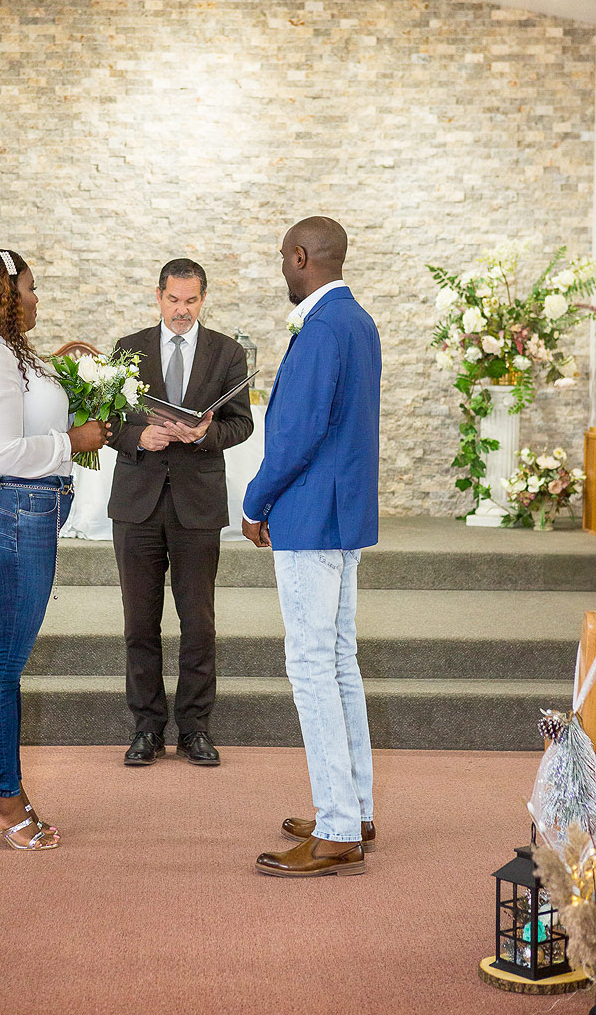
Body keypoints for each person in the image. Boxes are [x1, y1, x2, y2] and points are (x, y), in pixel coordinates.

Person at [0, 248, 110, 851]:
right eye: (31, 290)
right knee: (0, 666)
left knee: (5, 663)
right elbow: (8, 451)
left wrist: (57, 365)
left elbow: (24, 403)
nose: (38, 299)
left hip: (22, 515)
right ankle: (3, 800)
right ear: (5, 294)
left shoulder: (8, 353)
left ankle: (1, 788)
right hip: (7, 514)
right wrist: (74, 440)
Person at [242, 217, 381, 878]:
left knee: (310, 666)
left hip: (308, 516)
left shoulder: (321, 325)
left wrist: (253, 500)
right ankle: (353, 809)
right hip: (342, 513)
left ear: (301, 257)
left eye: (281, 259)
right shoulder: (356, 320)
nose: (280, 270)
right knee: (337, 660)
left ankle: (334, 830)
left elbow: (294, 433)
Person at [108, 258, 253, 767]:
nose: (182, 310)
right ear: (158, 296)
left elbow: (242, 425)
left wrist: (206, 434)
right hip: (137, 503)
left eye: (191, 301)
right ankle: (146, 728)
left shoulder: (227, 353)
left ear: (203, 299)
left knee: (199, 623)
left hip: (196, 502)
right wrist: (138, 436)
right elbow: (105, 423)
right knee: (139, 624)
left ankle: (195, 729)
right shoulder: (128, 349)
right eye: (174, 300)